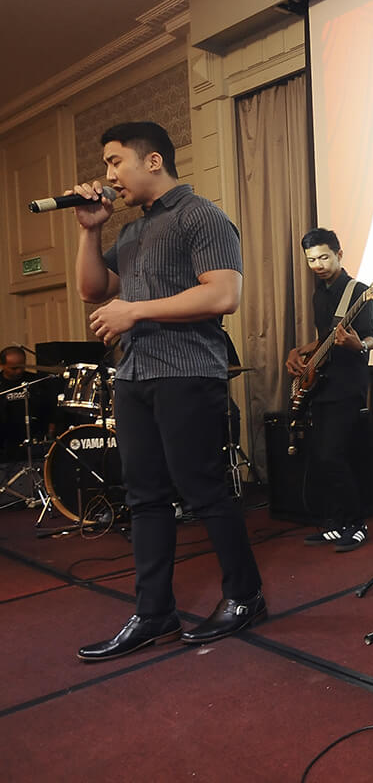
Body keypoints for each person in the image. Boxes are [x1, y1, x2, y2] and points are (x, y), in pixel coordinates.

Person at [71, 121, 264, 661]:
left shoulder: (201, 215)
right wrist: (90, 230)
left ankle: (246, 596)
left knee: (204, 490)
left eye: (115, 161)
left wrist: (134, 310)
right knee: (144, 498)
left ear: (152, 161)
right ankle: (154, 612)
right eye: (107, 166)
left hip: (188, 371)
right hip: (135, 375)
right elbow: (92, 289)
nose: (108, 175)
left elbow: (223, 295)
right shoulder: (133, 231)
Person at [285, 228, 373, 552]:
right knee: (321, 458)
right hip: (322, 385)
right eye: (311, 260)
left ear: (339, 254)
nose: (318, 265)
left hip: (348, 386)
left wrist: (358, 345)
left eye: (324, 257)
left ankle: (357, 524)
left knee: (334, 455)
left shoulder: (359, 291)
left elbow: (372, 338)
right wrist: (300, 351)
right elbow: (325, 338)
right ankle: (337, 523)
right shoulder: (319, 295)